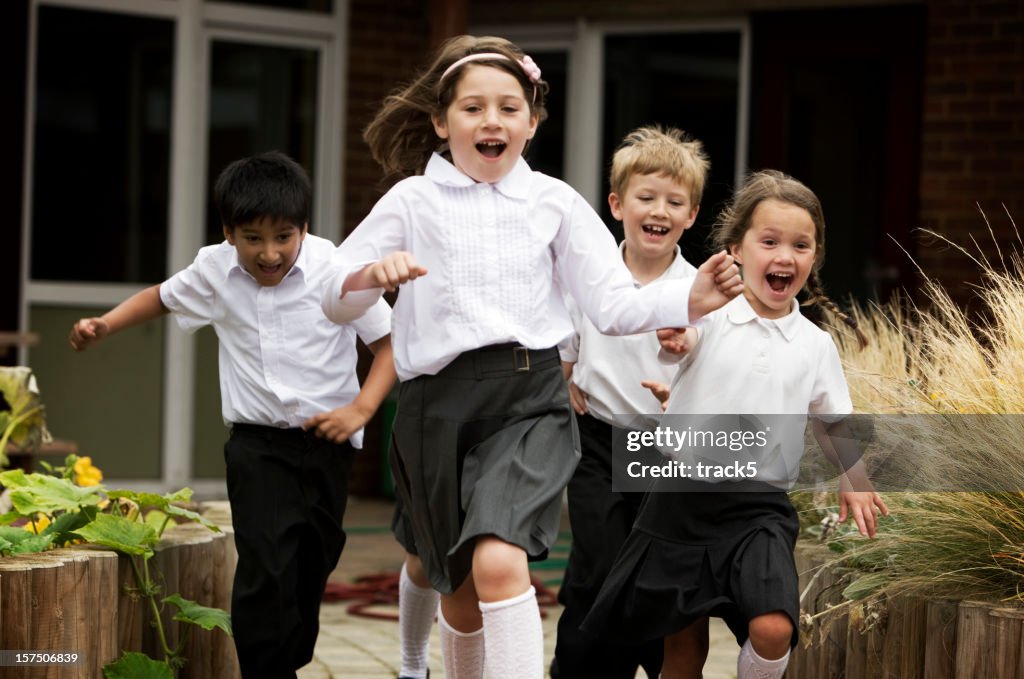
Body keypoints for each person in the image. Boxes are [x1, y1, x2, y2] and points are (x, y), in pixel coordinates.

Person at [320, 35, 742, 679]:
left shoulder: (555, 202)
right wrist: (369, 275)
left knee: (498, 562)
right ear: (442, 122)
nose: (492, 121)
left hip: (529, 398)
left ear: (532, 121)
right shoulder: (411, 200)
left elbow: (611, 307)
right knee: (456, 588)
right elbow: (334, 296)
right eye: (473, 108)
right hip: (435, 408)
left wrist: (693, 297)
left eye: (509, 108)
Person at [68, 151, 396, 679]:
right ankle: (267, 670)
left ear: (304, 229)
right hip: (257, 446)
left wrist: (361, 409)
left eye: (283, 237)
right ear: (228, 232)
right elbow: (161, 297)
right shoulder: (214, 269)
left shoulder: (336, 271)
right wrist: (105, 325)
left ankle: (283, 661)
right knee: (265, 567)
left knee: (312, 564)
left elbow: (388, 344)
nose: (269, 254)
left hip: (328, 444)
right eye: (253, 239)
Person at [581, 169, 889, 679]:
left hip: (759, 508)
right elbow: (679, 340)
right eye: (768, 241)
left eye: (800, 245)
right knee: (682, 653)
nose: (784, 256)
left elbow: (831, 419)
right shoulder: (709, 314)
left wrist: (854, 480)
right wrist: (675, 341)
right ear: (737, 250)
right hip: (682, 499)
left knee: (772, 629)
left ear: (814, 258)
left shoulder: (816, 345)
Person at [552, 125, 710, 679]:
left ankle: (635, 660)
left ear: (691, 215)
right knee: (598, 560)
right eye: (646, 197)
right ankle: (579, 664)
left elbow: (706, 355)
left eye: (674, 202)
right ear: (618, 204)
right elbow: (569, 340)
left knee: (649, 573)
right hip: (598, 440)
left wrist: (685, 341)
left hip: (664, 450)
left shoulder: (699, 288)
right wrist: (565, 377)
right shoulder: (592, 281)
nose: (658, 210)